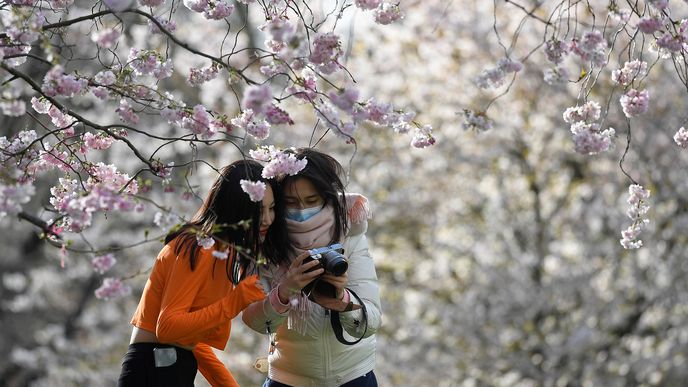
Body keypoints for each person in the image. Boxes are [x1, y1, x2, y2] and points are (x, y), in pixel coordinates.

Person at [118, 160, 291, 387]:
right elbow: (168, 327)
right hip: (154, 366)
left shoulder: (221, 250)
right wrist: (235, 300)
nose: (268, 219)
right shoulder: (199, 245)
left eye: (272, 208)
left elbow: (190, 339)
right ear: (236, 206)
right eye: (259, 211)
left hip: (169, 363)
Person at [243, 148, 382, 387]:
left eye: (311, 201)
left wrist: (343, 300)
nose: (301, 210)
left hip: (353, 377)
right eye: (290, 203)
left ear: (327, 197)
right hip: (288, 379)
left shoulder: (350, 235)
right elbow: (256, 322)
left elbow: (372, 323)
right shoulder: (265, 243)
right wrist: (285, 291)